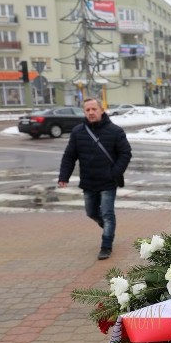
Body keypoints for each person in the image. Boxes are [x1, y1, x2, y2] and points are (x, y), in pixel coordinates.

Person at [58, 97, 132, 260]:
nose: (91, 112)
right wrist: (64, 176)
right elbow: (70, 156)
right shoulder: (78, 132)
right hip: (88, 181)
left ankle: (106, 245)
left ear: (101, 110)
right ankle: (107, 226)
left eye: (94, 109)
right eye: (87, 110)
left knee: (107, 213)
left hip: (108, 181)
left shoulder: (115, 131)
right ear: (84, 112)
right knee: (91, 212)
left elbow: (125, 153)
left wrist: (115, 173)